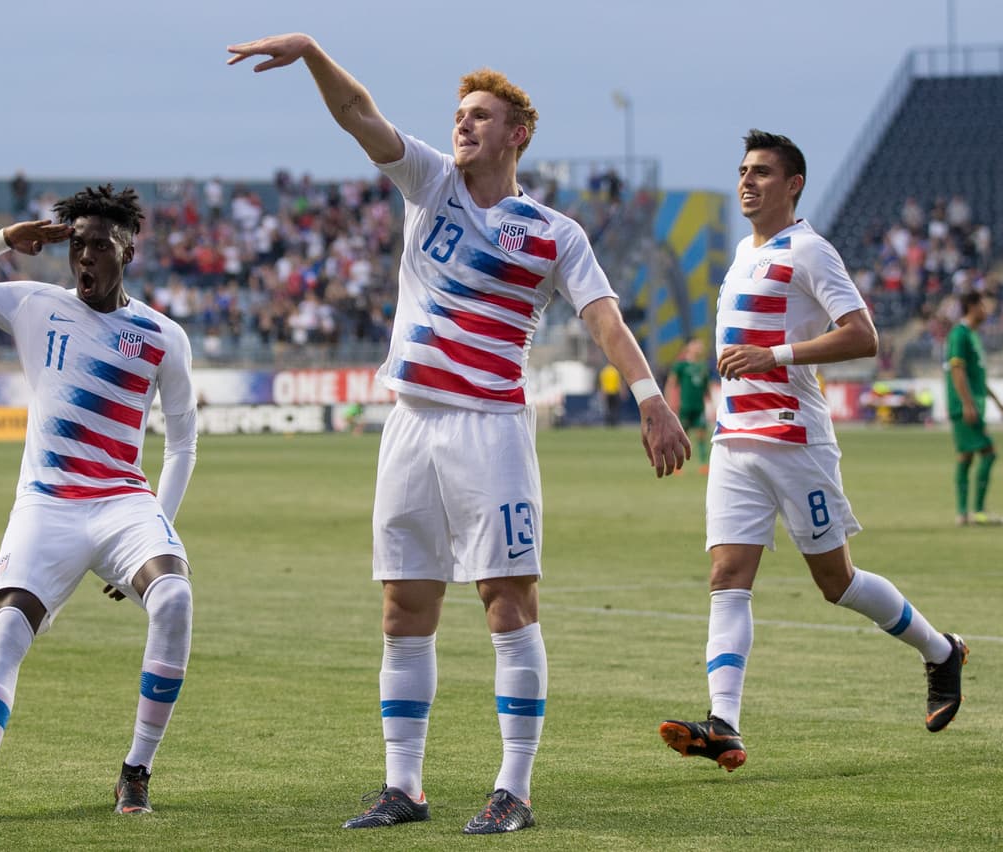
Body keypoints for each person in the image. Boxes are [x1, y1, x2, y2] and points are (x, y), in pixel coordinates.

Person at [228, 33, 689, 834]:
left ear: (518, 135)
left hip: (490, 429)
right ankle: (403, 787)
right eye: (459, 114)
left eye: (481, 116)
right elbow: (357, 113)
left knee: (507, 600)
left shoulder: (554, 233)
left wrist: (651, 399)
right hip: (408, 423)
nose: (463, 125)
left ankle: (515, 789)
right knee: (405, 607)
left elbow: (604, 320)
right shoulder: (429, 183)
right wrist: (310, 53)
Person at [658, 130, 969, 773]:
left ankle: (941, 652)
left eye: (763, 172)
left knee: (837, 582)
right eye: (743, 170)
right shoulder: (740, 256)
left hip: (796, 440)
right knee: (727, 578)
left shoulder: (810, 251)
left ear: (793, 184)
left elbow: (863, 337)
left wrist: (776, 354)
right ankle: (724, 725)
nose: (748, 181)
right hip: (736, 442)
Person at [0, 185, 199, 824]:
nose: (86, 259)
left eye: (100, 245)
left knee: (175, 597)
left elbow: (183, 446)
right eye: (77, 246)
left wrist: (161, 528)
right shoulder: (34, 305)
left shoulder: (161, 335)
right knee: (8, 627)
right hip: (47, 505)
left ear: (128, 250)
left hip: (124, 502)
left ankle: (136, 771)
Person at [946, 291, 1003, 526]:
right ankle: (978, 511)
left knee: (966, 456)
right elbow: (957, 370)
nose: (986, 309)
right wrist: (967, 403)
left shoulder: (972, 335)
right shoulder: (960, 335)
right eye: (983, 304)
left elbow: (977, 376)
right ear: (972, 306)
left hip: (972, 404)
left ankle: (964, 514)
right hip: (965, 406)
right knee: (989, 453)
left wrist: (996, 401)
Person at [665, 337, 712, 473]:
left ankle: (704, 465)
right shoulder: (681, 365)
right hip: (684, 407)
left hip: (699, 407)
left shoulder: (703, 366)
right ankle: (675, 465)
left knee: (702, 435)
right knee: (681, 436)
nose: (699, 346)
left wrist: (710, 402)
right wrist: (670, 402)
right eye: (696, 344)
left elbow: (706, 388)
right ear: (688, 347)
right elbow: (671, 383)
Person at [598, 362, 623, 426]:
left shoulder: (604, 371)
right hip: (615, 392)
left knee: (608, 408)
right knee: (615, 409)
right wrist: (621, 392)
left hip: (607, 392)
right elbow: (619, 383)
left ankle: (608, 422)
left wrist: (602, 393)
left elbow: (602, 384)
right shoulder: (616, 371)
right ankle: (614, 422)